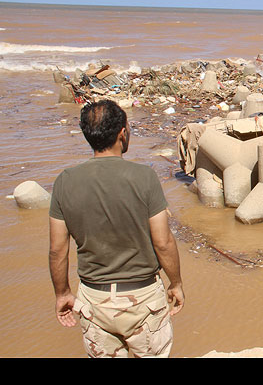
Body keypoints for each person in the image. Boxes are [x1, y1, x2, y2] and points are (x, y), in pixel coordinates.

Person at [48, 99, 185, 358]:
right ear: (123, 133)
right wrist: (175, 283)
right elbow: (163, 241)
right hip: (143, 298)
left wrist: (62, 293)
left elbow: (57, 250)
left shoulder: (65, 182)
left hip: (94, 299)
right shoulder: (144, 177)